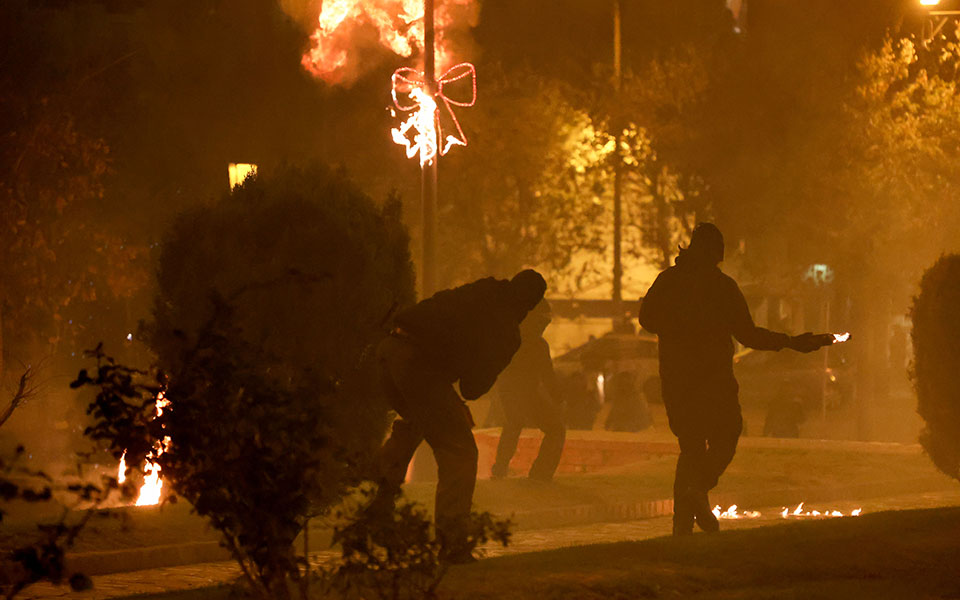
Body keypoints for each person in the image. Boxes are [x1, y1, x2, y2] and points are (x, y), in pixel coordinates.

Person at [637, 223, 832, 536]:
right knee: (727, 435)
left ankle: (682, 528)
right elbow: (749, 334)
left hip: (676, 379)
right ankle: (698, 491)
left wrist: (675, 328)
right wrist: (791, 341)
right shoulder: (721, 286)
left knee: (690, 449)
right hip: (713, 380)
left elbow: (647, 319)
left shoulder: (668, 281)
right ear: (716, 254)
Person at [375, 269, 547, 559]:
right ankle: (452, 543)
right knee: (460, 451)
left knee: (418, 422)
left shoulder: (479, 290)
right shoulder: (506, 329)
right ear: (529, 306)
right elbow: (472, 388)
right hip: (419, 366)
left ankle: (376, 506)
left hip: (389, 349)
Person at [490, 299, 566, 482]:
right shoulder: (533, 343)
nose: (545, 325)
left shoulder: (512, 339)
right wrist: (559, 398)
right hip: (521, 392)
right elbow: (548, 375)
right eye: (543, 321)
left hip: (517, 392)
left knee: (514, 425)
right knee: (549, 428)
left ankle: (502, 468)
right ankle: (540, 473)